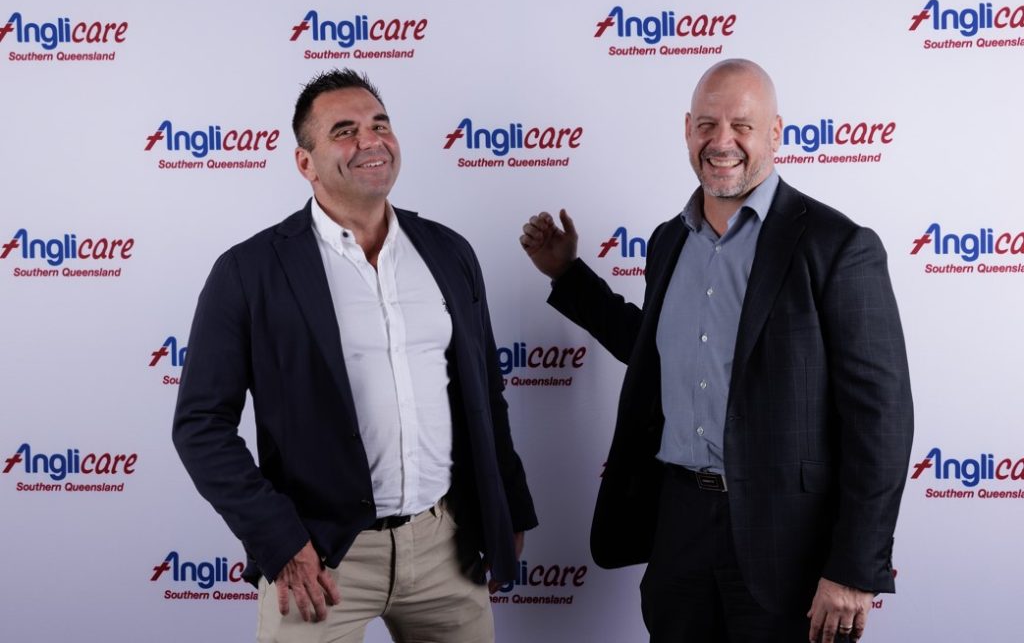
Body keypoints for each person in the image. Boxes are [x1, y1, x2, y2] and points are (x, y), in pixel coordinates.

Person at [519, 59, 912, 643]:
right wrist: (570, 277)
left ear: (775, 133)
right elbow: (657, 350)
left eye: (742, 126)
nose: (721, 141)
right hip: (679, 527)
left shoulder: (837, 246)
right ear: (686, 129)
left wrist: (854, 567)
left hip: (789, 540)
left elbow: (881, 419)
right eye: (707, 124)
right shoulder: (669, 240)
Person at [173, 68, 537, 643]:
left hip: (447, 546)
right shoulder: (249, 271)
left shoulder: (448, 252)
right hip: (319, 557)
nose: (371, 141)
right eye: (345, 130)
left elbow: (486, 393)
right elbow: (199, 426)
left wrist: (508, 504)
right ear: (305, 162)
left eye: (380, 125)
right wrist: (280, 540)